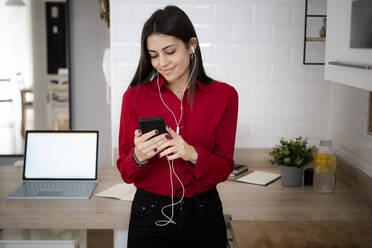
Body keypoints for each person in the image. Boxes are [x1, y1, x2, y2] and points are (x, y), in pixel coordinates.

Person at [117, 5, 238, 248]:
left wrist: (192, 154)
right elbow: (126, 172)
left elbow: (224, 169)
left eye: (169, 51)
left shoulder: (224, 96)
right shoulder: (135, 97)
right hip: (149, 213)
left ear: (191, 45)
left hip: (204, 213)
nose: (161, 63)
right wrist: (139, 156)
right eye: (153, 55)